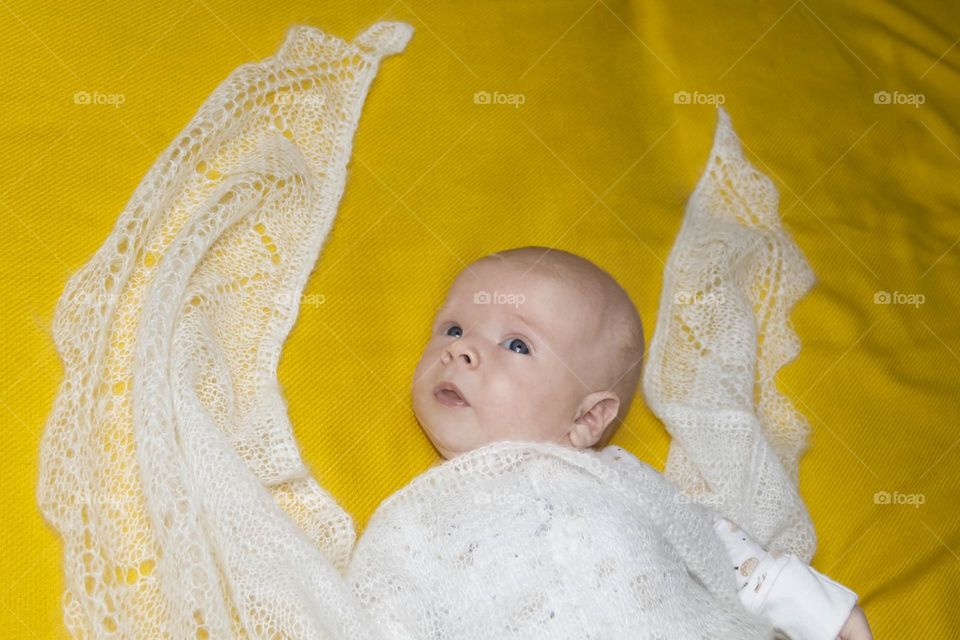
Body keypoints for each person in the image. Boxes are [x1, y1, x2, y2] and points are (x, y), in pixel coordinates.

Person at [410, 245, 873, 639]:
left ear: (588, 418)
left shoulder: (613, 481)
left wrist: (817, 610)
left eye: (516, 345)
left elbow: (712, 544)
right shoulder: (421, 516)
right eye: (453, 329)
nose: (460, 349)